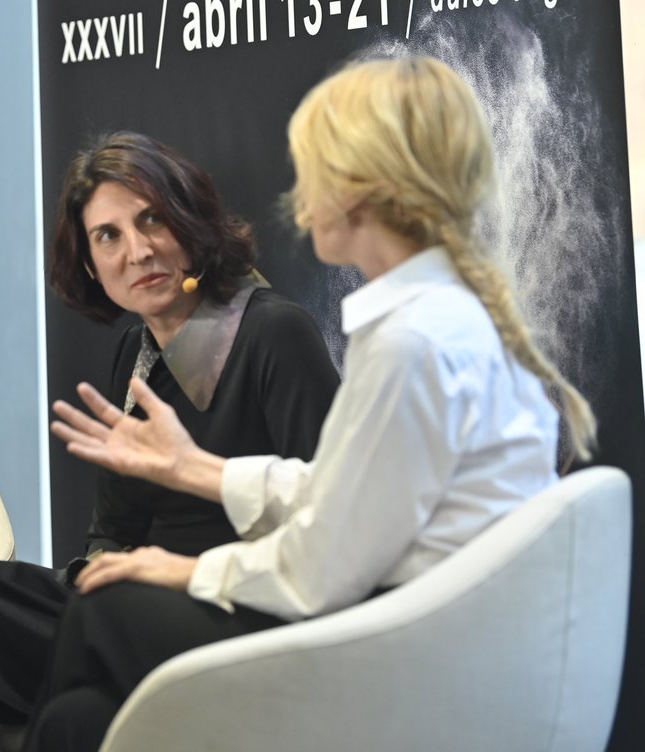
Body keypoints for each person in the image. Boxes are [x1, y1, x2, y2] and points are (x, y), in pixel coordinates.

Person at [40, 56, 599, 751]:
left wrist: (182, 569)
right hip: (438, 646)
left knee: (106, 609)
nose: (299, 199)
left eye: (314, 170)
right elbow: (352, 490)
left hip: (402, 668)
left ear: (364, 187)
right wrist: (200, 471)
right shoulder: (446, 319)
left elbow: (321, 567)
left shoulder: (407, 345)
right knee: (76, 722)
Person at [0, 132, 341, 751]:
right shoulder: (134, 354)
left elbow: (328, 519)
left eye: (152, 221)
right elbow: (113, 525)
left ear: (189, 222)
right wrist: (100, 567)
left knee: (76, 702)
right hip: (124, 598)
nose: (137, 251)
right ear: (87, 262)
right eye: (108, 236)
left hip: (229, 606)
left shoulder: (273, 333)